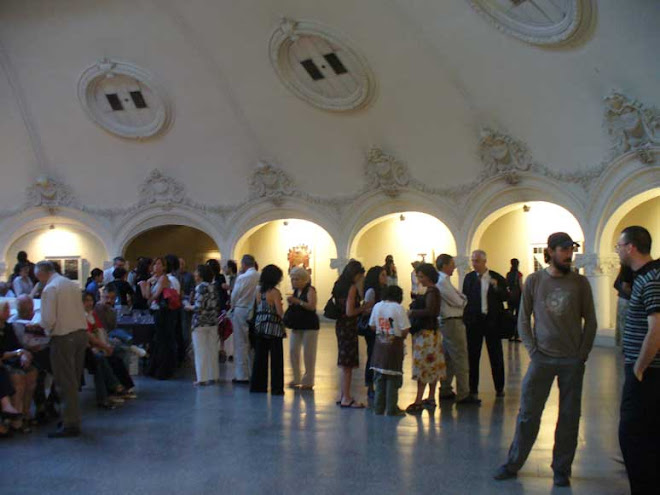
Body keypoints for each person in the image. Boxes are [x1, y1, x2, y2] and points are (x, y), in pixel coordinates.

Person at [494, 232, 597, 487]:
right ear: (549, 252)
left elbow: (591, 320)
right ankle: (514, 462)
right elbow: (523, 318)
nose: (568, 255)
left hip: (571, 360)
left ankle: (561, 468)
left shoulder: (580, 283)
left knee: (570, 416)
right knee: (528, 413)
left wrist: (581, 354)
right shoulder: (534, 280)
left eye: (570, 250)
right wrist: (532, 350)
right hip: (542, 359)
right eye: (563, 250)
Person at [615, 226, 660, 495]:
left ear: (631, 247)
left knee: (634, 437)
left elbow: (656, 329)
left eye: (619, 245)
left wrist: (639, 369)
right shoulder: (645, 276)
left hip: (649, 373)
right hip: (647, 371)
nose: (618, 250)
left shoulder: (651, 278)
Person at [35, 260, 88, 438]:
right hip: (80, 334)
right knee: (73, 379)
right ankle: (71, 417)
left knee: (65, 382)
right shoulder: (70, 284)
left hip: (64, 337)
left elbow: (48, 319)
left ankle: (70, 423)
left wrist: (37, 325)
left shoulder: (50, 289)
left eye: (39, 277)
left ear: (43, 273)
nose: (39, 280)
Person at [462, 250, 508, 400]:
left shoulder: (496, 277)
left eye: (477, 261)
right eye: (473, 261)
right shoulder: (469, 278)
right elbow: (465, 298)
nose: (474, 264)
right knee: (473, 356)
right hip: (474, 323)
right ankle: (473, 389)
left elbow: (506, 297)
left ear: (484, 261)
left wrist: (496, 286)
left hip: (492, 322)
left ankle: (499, 387)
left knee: (496, 355)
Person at [435, 254, 478, 405]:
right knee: (460, 357)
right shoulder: (442, 282)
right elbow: (459, 301)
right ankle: (463, 393)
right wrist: (463, 300)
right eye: (452, 264)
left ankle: (446, 388)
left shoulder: (445, 281)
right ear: (444, 265)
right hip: (452, 322)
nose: (454, 267)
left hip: (450, 322)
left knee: (449, 358)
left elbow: (460, 298)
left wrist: (462, 299)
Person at [406, 263, 444, 414]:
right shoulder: (431, 291)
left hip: (426, 335)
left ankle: (419, 399)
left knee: (423, 367)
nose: (419, 279)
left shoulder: (432, 292)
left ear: (427, 277)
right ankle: (430, 397)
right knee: (433, 366)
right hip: (432, 334)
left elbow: (431, 311)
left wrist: (412, 312)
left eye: (421, 276)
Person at [369, 285, 410, 417]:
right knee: (393, 378)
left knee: (379, 378)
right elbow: (405, 329)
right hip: (394, 347)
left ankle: (378, 408)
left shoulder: (377, 306)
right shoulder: (398, 308)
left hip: (379, 345)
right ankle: (392, 408)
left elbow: (372, 325)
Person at [83, 293, 127, 409]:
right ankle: (114, 387)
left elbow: (100, 331)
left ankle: (121, 387)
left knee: (118, 354)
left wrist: (106, 345)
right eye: (86, 301)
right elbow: (89, 336)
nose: (90, 303)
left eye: (91, 300)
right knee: (101, 361)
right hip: (89, 349)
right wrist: (105, 347)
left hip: (98, 345)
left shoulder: (92, 315)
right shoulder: (81, 317)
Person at [333, 260, 367, 408]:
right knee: (348, 364)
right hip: (348, 326)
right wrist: (363, 308)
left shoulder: (338, 285)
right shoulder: (351, 288)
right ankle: (346, 396)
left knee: (344, 362)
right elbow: (350, 311)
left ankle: (344, 395)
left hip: (340, 325)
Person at [0, 301, 38, 433]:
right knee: (18, 377)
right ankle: (16, 418)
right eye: (4, 309)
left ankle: (25, 412)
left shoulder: (8, 327)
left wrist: (24, 354)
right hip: (5, 361)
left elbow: (17, 345)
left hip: (12, 359)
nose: (8, 312)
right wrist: (18, 353)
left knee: (32, 373)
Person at [250, 265, 285, 395]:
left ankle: (258, 386)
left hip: (260, 325)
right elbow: (279, 312)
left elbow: (259, 306)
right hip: (273, 327)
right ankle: (276, 388)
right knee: (276, 359)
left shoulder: (258, 291)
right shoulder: (275, 292)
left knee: (260, 357)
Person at [285, 266, 320, 390]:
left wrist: (297, 301)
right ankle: (296, 377)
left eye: (296, 279)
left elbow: (312, 306)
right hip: (297, 324)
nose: (293, 281)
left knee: (308, 353)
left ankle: (308, 380)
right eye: (292, 279)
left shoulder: (310, 290)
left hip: (309, 325)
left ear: (304, 279)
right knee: (293, 350)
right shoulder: (296, 291)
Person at [143, 257, 178, 380]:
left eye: (159, 264)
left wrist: (150, 298)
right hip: (155, 311)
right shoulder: (153, 279)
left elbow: (155, 295)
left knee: (162, 341)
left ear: (163, 267)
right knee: (156, 341)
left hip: (163, 313)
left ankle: (163, 370)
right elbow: (147, 295)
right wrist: (147, 284)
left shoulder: (163, 278)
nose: (156, 267)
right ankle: (154, 368)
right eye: (154, 264)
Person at [185, 264, 219, 386]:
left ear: (200, 274)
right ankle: (213, 375)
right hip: (213, 322)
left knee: (200, 351)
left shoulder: (200, 288)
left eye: (196, 272)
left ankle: (202, 378)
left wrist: (188, 306)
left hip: (200, 322)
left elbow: (198, 307)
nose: (194, 274)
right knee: (212, 350)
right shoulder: (213, 287)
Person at [229, 255, 260, 384]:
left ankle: (242, 375)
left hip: (241, 309)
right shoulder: (259, 276)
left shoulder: (242, 277)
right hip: (256, 310)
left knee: (241, 342)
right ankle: (254, 372)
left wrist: (232, 306)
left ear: (244, 264)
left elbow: (234, 295)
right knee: (253, 342)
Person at [361, 266, 387, 398]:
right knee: (372, 354)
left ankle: (378, 383)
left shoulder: (383, 290)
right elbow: (366, 309)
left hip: (381, 326)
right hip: (372, 327)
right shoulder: (371, 291)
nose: (385, 278)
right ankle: (370, 384)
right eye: (382, 275)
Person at [613, 264, 634, 347]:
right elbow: (625, 286)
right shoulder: (628, 266)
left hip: (624, 300)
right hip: (627, 301)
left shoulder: (627, 265)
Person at [506, 258, 523, 342]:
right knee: (518, 316)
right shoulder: (519, 274)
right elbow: (521, 286)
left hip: (510, 297)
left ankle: (510, 335)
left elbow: (507, 285)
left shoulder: (508, 274)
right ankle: (517, 335)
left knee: (510, 316)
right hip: (518, 298)